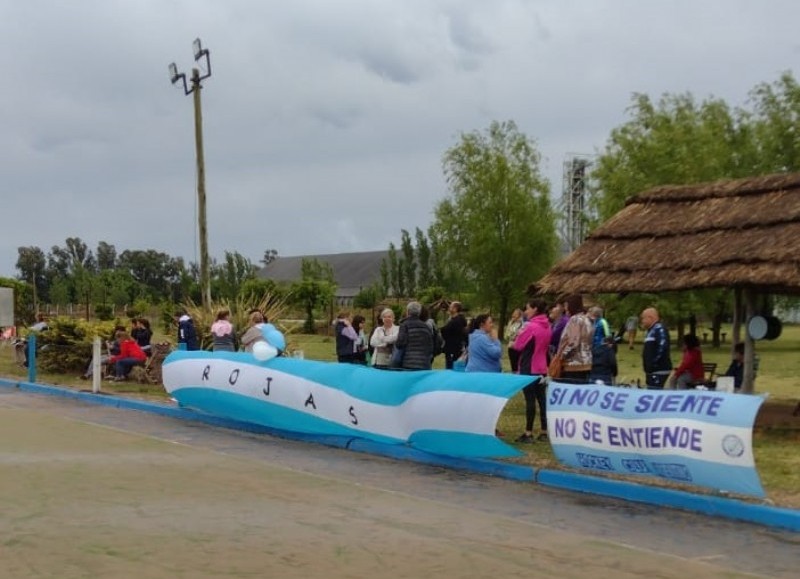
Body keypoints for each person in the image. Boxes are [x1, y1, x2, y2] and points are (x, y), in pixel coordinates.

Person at [512, 299, 551, 443]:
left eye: (527, 308)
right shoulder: (547, 325)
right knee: (542, 399)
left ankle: (528, 433)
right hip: (542, 366)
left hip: (529, 366)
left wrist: (514, 340)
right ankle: (544, 431)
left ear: (534, 309)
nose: (525, 311)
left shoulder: (530, 325)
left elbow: (518, 345)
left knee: (530, 399)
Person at [554, 295, 594, 384]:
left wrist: (562, 356)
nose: (565, 309)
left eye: (566, 306)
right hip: (587, 361)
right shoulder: (587, 319)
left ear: (571, 306)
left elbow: (573, 342)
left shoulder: (575, 320)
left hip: (574, 363)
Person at [395, 301, 435, 370]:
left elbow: (400, 343)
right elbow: (430, 346)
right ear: (419, 313)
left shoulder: (404, 325)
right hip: (424, 363)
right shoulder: (426, 326)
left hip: (408, 362)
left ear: (407, 312)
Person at [641, 307, 672, 389]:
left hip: (659, 370)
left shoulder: (659, 329)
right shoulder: (651, 330)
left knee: (654, 391)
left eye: (643, 318)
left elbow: (663, 346)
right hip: (652, 371)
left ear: (650, 317)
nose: (642, 321)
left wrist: (653, 363)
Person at [440, 301, 468, 370]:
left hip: (453, 349)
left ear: (455, 309)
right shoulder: (454, 320)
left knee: (451, 368)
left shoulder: (457, 321)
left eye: (451, 306)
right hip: (453, 348)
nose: (449, 308)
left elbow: (445, 330)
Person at [506, 308, 525, 373]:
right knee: (513, 364)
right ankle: (514, 374)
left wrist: (512, 337)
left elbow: (518, 334)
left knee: (517, 364)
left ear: (519, 315)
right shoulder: (511, 322)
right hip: (510, 346)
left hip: (517, 346)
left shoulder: (522, 324)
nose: (513, 315)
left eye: (515, 314)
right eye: (513, 313)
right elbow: (507, 334)